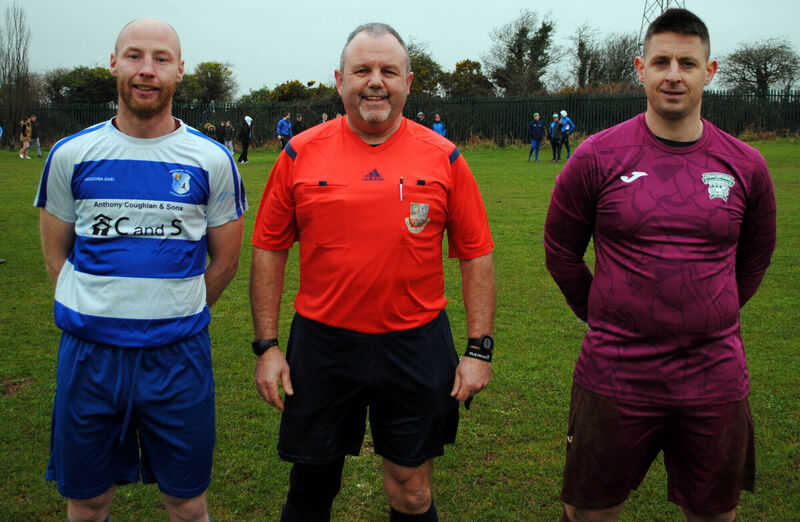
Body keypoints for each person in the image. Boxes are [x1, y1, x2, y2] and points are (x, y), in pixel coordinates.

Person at [250, 22, 496, 522]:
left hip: (415, 343)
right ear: (340, 80)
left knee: (412, 490)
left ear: (409, 80)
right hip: (323, 345)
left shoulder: (445, 157)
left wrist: (478, 349)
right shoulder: (298, 153)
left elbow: (476, 254)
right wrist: (268, 346)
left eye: (388, 70)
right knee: (312, 484)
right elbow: (269, 249)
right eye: (362, 70)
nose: (375, 81)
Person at [544, 9, 776, 522]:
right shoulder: (596, 156)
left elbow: (755, 258)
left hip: (713, 372)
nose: (674, 74)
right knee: (588, 512)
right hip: (616, 368)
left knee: (716, 513)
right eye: (662, 61)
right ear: (640, 68)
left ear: (709, 71)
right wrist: (605, 312)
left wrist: (713, 311)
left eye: (688, 63)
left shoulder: (746, 165)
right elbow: (560, 251)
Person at [34, 18, 247, 522]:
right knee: (86, 503)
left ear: (179, 71)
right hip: (90, 358)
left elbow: (227, 260)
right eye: (134, 56)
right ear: (114, 63)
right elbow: (54, 257)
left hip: (178, 358)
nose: (146, 70)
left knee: (187, 504)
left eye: (160, 59)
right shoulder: (71, 155)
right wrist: (97, 309)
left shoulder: (212, 161)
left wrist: (174, 309)